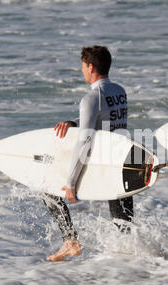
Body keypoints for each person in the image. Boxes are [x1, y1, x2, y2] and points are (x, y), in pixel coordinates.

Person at [43, 46, 133, 261]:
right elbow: (103, 116)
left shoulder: (91, 98)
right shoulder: (119, 91)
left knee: (48, 188)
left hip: (99, 163)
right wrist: (72, 122)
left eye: (83, 66)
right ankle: (130, 258)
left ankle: (70, 240)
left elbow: (85, 141)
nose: (81, 70)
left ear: (91, 67)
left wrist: (71, 183)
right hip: (122, 161)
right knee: (124, 226)